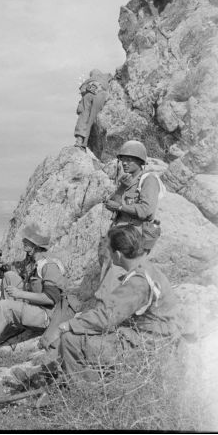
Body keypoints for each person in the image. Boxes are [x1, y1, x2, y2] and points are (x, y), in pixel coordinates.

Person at [40, 225, 179, 385]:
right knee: (84, 331)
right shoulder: (146, 269)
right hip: (153, 337)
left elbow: (106, 317)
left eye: (110, 250)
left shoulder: (138, 281)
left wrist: (64, 327)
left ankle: (84, 392)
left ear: (118, 255)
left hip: (150, 346)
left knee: (70, 340)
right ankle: (59, 374)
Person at [0, 224, 71, 365]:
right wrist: (2, 266)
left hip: (46, 315)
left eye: (26, 241)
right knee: (9, 275)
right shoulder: (33, 261)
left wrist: (20, 294)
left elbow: (51, 299)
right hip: (34, 306)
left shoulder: (48, 266)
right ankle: (3, 323)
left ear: (35, 245)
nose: (23, 243)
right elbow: (16, 268)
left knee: (4, 306)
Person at [96, 140, 163, 301]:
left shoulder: (149, 180)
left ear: (140, 162)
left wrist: (120, 207)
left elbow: (146, 211)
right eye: (122, 159)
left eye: (129, 159)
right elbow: (110, 204)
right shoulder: (126, 181)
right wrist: (121, 189)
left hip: (133, 236)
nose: (124, 163)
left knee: (119, 274)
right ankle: (105, 309)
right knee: (107, 270)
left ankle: (111, 311)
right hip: (118, 234)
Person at [74, 69, 110, 150]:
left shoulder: (88, 81)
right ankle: (84, 143)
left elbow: (83, 90)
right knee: (92, 120)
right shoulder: (106, 77)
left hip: (88, 96)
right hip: (102, 95)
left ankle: (81, 141)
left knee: (84, 118)